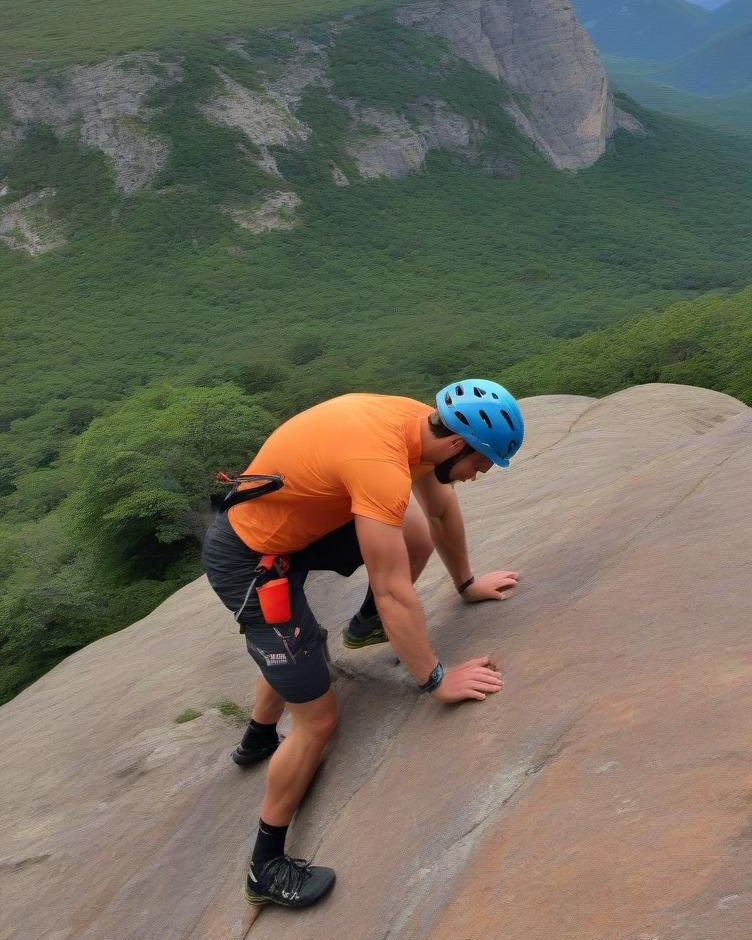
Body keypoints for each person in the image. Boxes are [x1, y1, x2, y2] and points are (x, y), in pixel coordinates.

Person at [201, 379, 524, 909]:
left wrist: (466, 584)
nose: (478, 475)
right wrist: (435, 679)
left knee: (414, 532)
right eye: (480, 463)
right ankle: (265, 869)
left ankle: (262, 734)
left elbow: (439, 511)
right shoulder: (379, 461)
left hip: (299, 528)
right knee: (318, 719)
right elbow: (393, 590)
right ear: (456, 443)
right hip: (252, 562)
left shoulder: (417, 425)